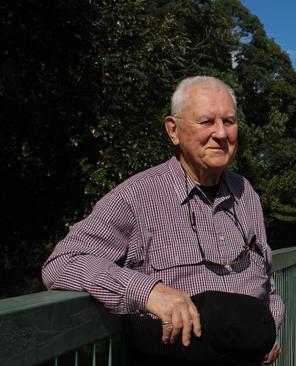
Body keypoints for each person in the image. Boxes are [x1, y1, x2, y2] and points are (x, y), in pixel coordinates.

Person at [42, 76, 283, 365]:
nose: (220, 133)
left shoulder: (247, 195)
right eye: (206, 121)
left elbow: (266, 280)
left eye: (229, 121)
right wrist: (148, 291)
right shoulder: (137, 197)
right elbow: (62, 263)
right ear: (173, 130)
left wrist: (271, 326)